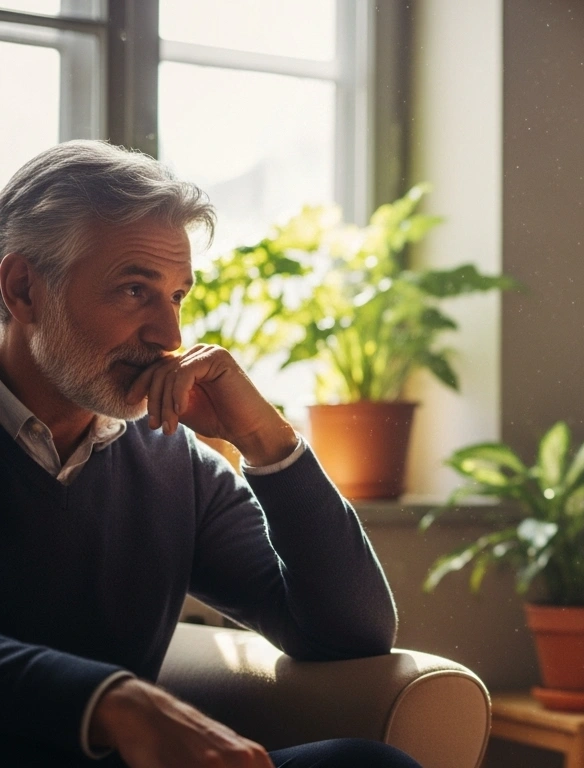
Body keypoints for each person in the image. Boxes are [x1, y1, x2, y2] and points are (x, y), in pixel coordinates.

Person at [0, 141, 421, 767]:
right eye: (134, 290)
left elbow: (347, 634)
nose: (169, 336)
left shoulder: (172, 462)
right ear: (23, 289)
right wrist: (110, 702)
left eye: (176, 296)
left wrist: (266, 440)